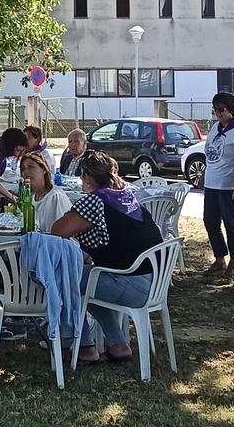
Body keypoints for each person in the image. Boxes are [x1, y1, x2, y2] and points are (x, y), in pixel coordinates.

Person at [47, 150, 165, 363]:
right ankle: (118, 344)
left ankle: (85, 347)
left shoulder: (96, 201)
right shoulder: (126, 196)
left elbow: (57, 230)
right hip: (156, 281)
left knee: (67, 276)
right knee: (87, 282)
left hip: (130, 284)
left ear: (87, 178)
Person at [200, 92, 234, 279]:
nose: (218, 114)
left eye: (221, 110)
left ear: (231, 110)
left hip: (229, 185)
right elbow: (211, 153)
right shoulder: (215, 128)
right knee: (210, 221)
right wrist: (204, 174)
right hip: (212, 183)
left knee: (230, 223)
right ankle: (219, 258)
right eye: (215, 110)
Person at [19, 152, 72, 229]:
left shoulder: (56, 197)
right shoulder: (32, 198)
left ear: (44, 169)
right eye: (23, 169)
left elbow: (61, 233)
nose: (25, 172)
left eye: (31, 167)